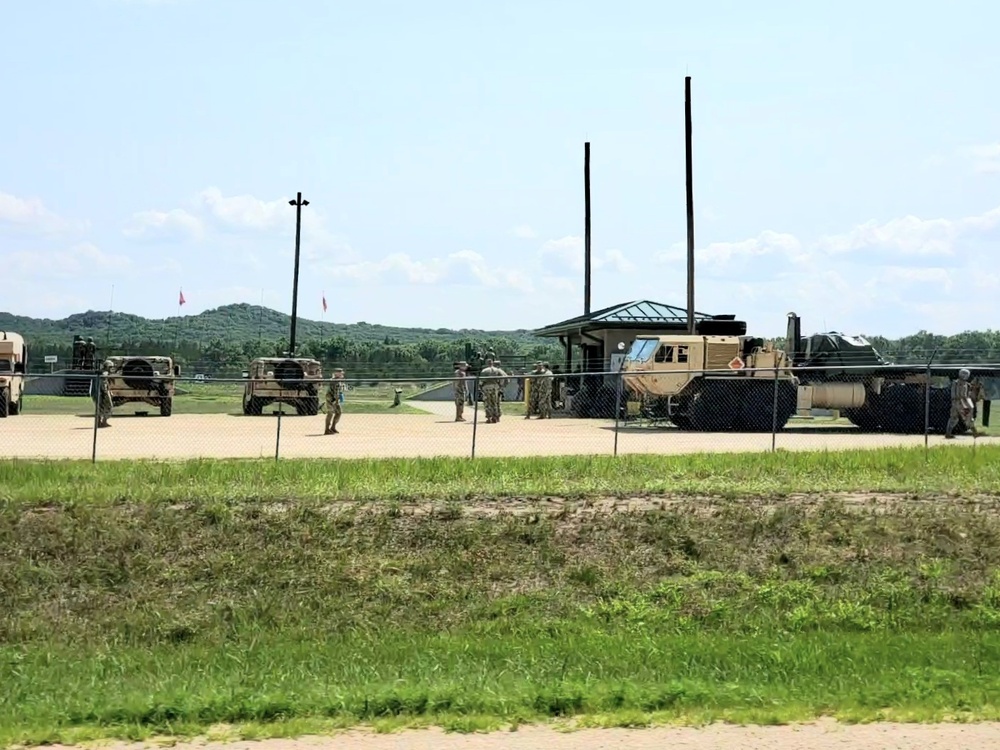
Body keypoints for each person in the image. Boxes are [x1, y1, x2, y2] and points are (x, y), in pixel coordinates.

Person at [946, 368, 982, 439]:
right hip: (959, 402)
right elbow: (958, 395)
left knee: (959, 417)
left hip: (959, 402)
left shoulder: (965, 384)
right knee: (958, 418)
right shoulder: (956, 383)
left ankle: (948, 433)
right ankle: (974, 432)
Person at [479, 359, 507, 423]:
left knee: (487, 402)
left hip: (486, 386)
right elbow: (502, 378)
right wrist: (500, 385)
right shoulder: (497, 370)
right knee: (495, 402)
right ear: (492, 363)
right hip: (495, 386)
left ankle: (489, 417)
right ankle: (495, 417)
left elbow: (481, 381)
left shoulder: (484, 371)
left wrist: (480, 387)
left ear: (486, 363)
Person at [324, 368, 345, 434]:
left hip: (336, 399)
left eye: (341, 372)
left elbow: (339, 391)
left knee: (339, 412)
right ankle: (327, 429)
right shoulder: (333, 380)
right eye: (340, 372)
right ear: (336, 373)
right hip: (330, 399)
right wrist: (335, 400)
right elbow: (334, 391)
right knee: (330, 413)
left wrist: (339, 397)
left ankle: (333, 427)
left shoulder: (339, 381)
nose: (341, 374)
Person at [96, 360, 113, 428]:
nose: (111, 368)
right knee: (108, 406)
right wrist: (105, 392)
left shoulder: (105, 373)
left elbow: (106, 383)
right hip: (102, 391)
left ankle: (100, 422)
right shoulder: (104, 373)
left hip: (101, 391)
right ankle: (103, 421)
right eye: (110, 367)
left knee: (100, 407)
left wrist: (109, 390)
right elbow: (103, 384)